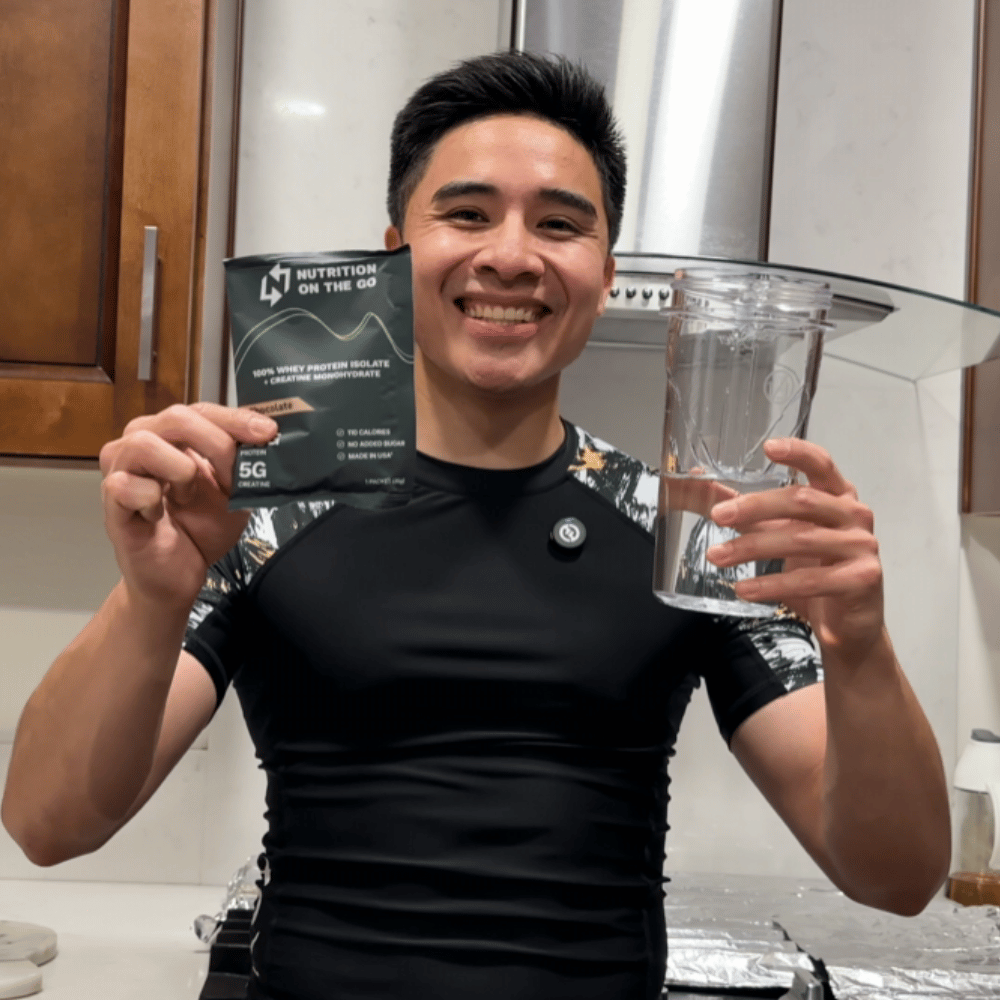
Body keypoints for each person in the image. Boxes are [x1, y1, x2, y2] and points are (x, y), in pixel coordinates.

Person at [2, 52, 950, 1000]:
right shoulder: (260, 516)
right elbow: (46, 824)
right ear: (394, 252)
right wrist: (150, 598)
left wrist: (860, 646)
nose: (510, 255)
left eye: (560, 224)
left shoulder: (683, 525)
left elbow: (896, 877)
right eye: (466, 214)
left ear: (605, 273)